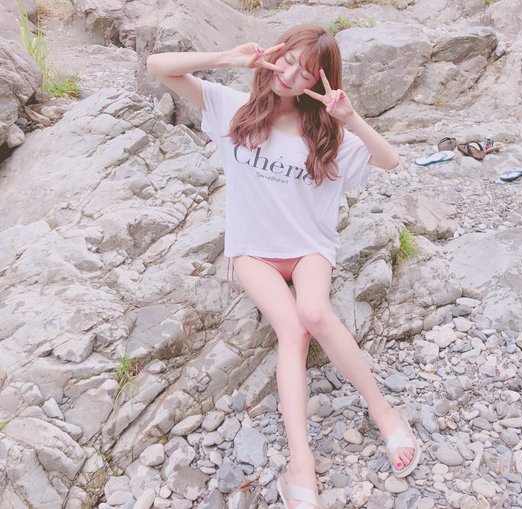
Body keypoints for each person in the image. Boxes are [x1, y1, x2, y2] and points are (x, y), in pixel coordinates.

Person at [146, 23, 421, 509]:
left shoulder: (327, 132)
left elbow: (390, 160)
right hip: (253, 252)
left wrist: (351, 116)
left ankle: (384, 413)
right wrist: (230, 58)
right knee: (291, 330)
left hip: (309, 248)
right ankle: (300, 463)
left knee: (314, 313)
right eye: (288, 60)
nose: (290, 75)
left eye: (305, 73)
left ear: (320, 81)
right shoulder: (232, 107)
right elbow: (157, 66)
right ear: (276, 54)